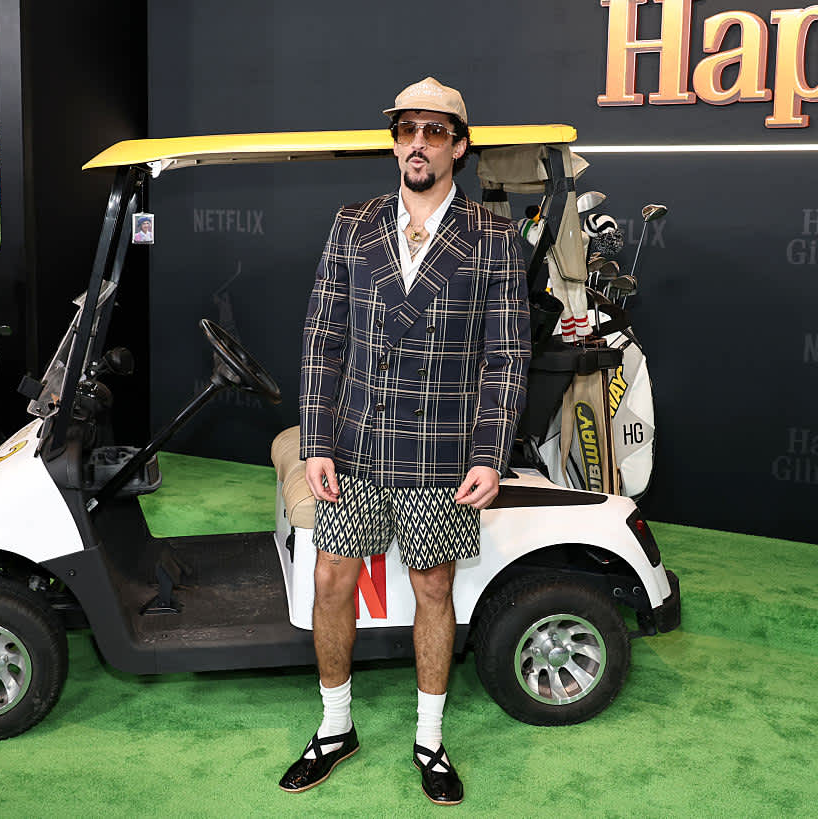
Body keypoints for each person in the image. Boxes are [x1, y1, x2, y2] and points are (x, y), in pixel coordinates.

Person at [280, 77, 530, 805]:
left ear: (459, 144)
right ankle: (335, 727)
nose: (417, 142)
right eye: (406, 129)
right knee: (331, 579)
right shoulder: (351, 222)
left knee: (433, 587)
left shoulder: (493, 236)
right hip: (354, 443)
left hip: (442, 450)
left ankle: (429, 737)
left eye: (434, 130)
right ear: (395, 140)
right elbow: (322, 338)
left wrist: (488, 453)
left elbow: (508, 356)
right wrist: (317, 438)